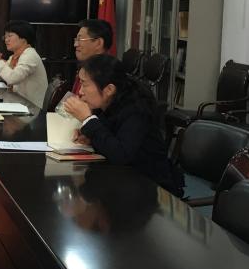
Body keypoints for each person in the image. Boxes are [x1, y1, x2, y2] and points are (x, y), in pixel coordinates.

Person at [62, 54, 183, 195]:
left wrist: (88, 119)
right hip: (121, 180)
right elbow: (109, 135)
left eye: (85, 84)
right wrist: (89, 136)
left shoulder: (136, 108)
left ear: (109, 89)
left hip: (149, 187)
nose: (80, 91)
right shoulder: (108, 102)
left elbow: (121, 154)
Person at [0, 20, 48, 109]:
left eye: (10, 36)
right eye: (5, 37)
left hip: (31, 109)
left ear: (24, 38)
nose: (6, 40)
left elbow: (12, 79)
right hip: (18, 103)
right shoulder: (14, 57)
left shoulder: (30, 55)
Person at [71, 19, 113, 94]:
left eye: (80, 39)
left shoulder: (104, 74)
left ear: (98, 43)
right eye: (76, 39)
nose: (75, 44)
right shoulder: (86, 68)